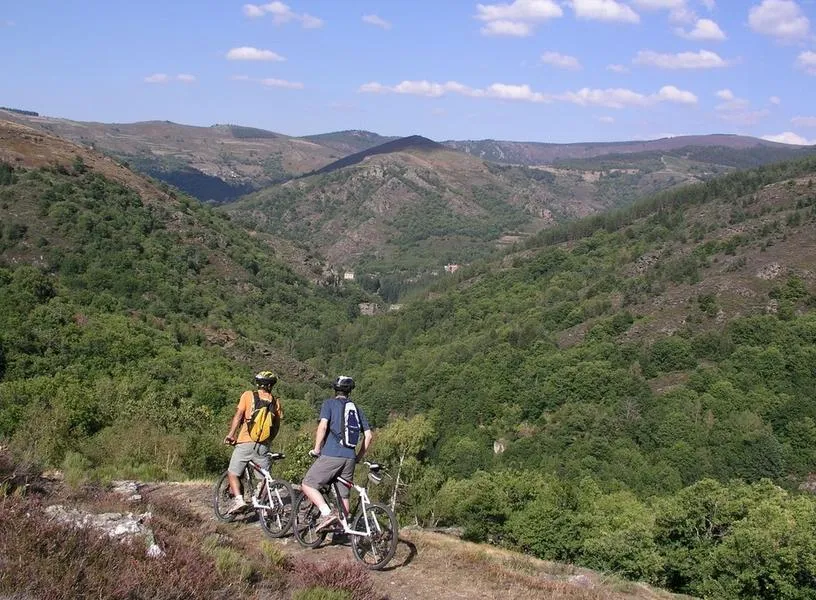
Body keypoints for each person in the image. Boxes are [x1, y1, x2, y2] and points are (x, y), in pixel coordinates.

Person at [301, 375, 373, 531]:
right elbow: (368, 436)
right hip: (350, 457)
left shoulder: (329, 404)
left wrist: (317, 449)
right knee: (343, 495)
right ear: (349, 391)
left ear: (335, 390)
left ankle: (327, 514)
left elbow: (322, 427)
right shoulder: (356, 409)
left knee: (308, 484)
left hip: (332, 453)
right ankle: (342, 528)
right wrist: (358, 457)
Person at [223, 370, 282, 513]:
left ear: (258, 384)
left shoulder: (248, 395)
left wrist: (231, 434)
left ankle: (239, 501)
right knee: (264, 478)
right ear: (271, 385)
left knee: (232, 473)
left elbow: (238, 416)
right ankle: (261, 501)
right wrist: (267, 441)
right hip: (263, 445)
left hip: (245, 441)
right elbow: (276, 426)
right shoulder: (276, 402)